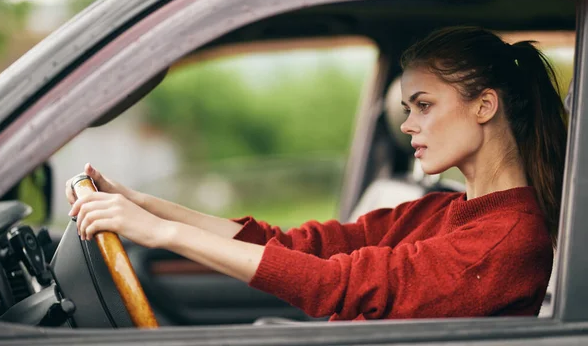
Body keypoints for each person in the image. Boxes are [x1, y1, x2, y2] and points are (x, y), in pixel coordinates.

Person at [66, 26, 567, 321]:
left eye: (423, 105)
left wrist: (161, 233)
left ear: (484, 107)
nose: (408, 125)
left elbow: (338, 284)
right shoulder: (441, 211)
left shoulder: (509, 240)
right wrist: (143, 204)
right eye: (406, 108)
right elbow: (303, 247)